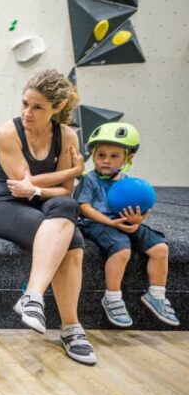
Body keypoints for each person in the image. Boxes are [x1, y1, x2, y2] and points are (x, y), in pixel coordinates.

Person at [0, 69, 96, 366]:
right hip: (7, 207)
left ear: (57, 109)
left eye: (37, 107)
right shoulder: (7, 133)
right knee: (71, 240)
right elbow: (21, 187)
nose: (27, 112)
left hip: (46, 205)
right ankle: (72, 329)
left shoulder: (67, 135)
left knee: (67, 209)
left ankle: (33, 297)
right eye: (24, 103)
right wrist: (72, 171)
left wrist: (39, 187)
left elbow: (63, 193)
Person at [76, 122, 178, 327]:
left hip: (122, 222)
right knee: (122, 250)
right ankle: (112, 297)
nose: (105, 160)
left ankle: (156, 295)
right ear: (93, 155)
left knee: (160, 248)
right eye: (101, 155)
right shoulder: (89, 180)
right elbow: (84, 208)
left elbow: (140, 210)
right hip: (95, 223)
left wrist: (137, 221)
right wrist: (110, 222)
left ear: (128, 158)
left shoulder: (128, 183)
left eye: (114, 156)